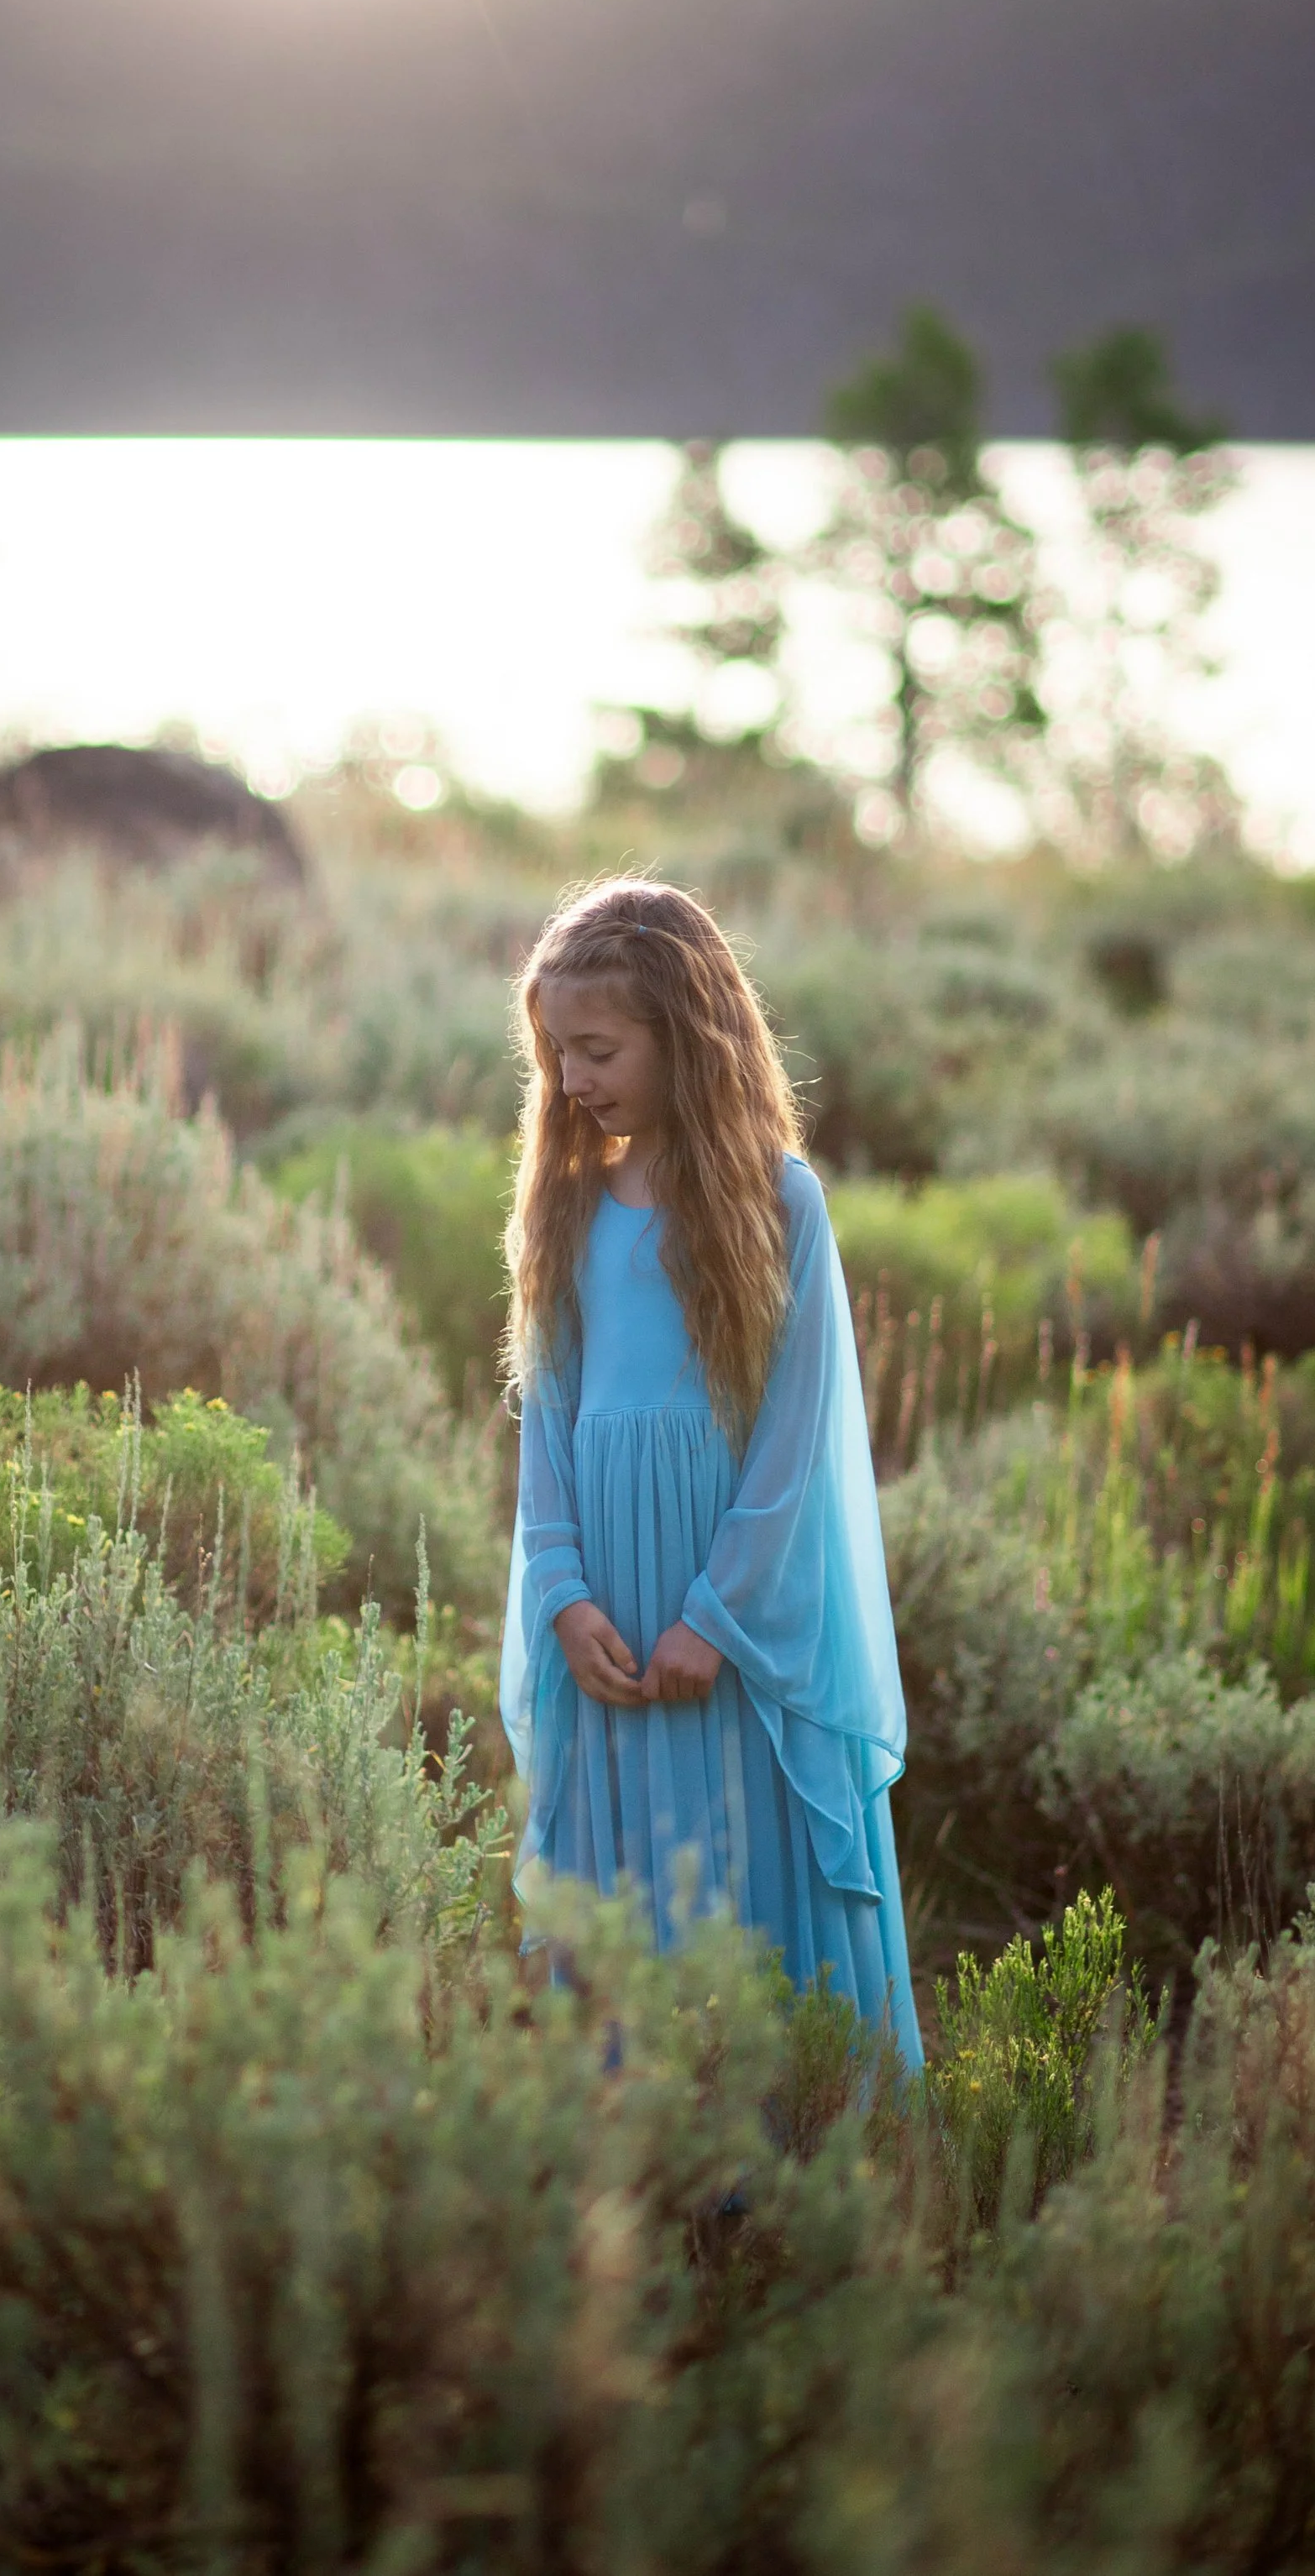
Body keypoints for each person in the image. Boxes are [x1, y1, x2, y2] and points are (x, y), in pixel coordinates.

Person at [498, 876, 921, 2063]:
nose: (573, 1078)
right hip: (607, 1617)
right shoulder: (567, 1208)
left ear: (684, 1035)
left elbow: (796, 1431)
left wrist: (720, 1615)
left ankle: (776, 2150)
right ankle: (637, 2149)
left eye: (598, 1046)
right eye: (556, 1052)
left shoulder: (781, 1203)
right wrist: (562, 1591)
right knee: (624, 1879)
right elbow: (550, 1419)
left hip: (728, 1616)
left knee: (740, 1856)